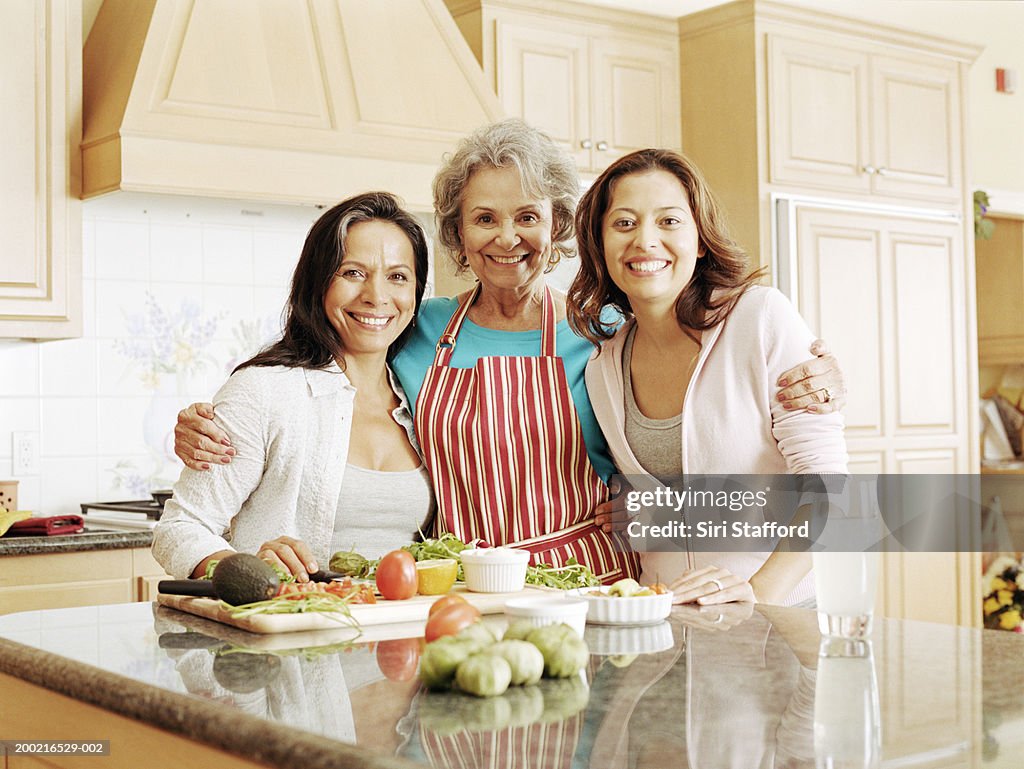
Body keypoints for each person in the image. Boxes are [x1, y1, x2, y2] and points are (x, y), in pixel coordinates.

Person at [171, 120, 845, 585]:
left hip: (592, 587)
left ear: (556, 225)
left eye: (527, 215)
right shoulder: (415, 328)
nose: (507, 236)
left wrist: (829, 379)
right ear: (457, 233)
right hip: (465, 590)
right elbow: (328, 363)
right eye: (484, 217)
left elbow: (709, 385)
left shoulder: (607, 327)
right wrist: (210, 421)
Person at [569, 148, 849, 606]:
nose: (645, 241)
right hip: (673, 623)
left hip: (781, 617)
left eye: (669, 221)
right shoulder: (604, 364)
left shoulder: (760, 318)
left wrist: (756, 598)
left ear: (700, 240)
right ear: (600, 244)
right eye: (623, 223)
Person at [152, 192, 435, 581]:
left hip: (408, 632)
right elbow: (179, 529)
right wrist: (246, 569)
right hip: (293, 633)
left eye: (398, 277)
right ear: (318, 282)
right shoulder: (264, 392)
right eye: (352, 272)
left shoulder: (430, 398)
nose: (376, 296)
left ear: (416, 294)